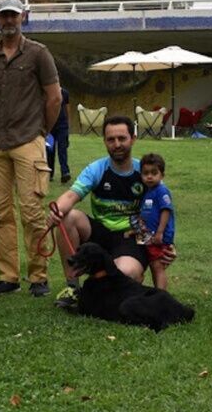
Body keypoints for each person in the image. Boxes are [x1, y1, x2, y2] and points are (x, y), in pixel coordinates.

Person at [0, 0, 62, 297]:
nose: (9, 21)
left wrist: (41, 132)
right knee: (0, 212)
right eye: (4, 16)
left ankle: (38, 276)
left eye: (13, 15)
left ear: (22, 17)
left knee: (31, 210)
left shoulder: (39, 53)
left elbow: (54, 98)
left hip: (28, 139)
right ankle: (8, 276)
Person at [48, 115, 150, 308]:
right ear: (104, 141)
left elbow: (162, 210)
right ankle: (73, 288)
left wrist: (166, 244)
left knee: (127, 274)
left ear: (133, 139)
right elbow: (70, 196)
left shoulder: (144, 172)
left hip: (132, 236)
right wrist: (56, 212)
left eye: (122, 138)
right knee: (67, 217)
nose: (117, 144)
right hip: (101, 233)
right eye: (111, 139)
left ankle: (109, 285)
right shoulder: (97, 169)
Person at [138, 152, 175, 290]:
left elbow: (166, 210)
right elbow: (144, 213)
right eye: (145, 173)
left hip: (159, 237)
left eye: (154, 173)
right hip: (149, 236)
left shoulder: (161, 191)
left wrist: (160, 232)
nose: (149, 176)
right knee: (153, 265)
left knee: (157, 266)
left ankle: (161, 296)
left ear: (162, 175)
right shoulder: (148, 192)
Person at [46, 86, 71, 184]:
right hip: (50, 127)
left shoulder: (65, 93)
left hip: (62, 126)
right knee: (50, 151)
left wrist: (68, 125)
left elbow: (67, 109)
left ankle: (65, 172)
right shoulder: (46, 93)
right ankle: (49, 173)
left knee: (62, 149)